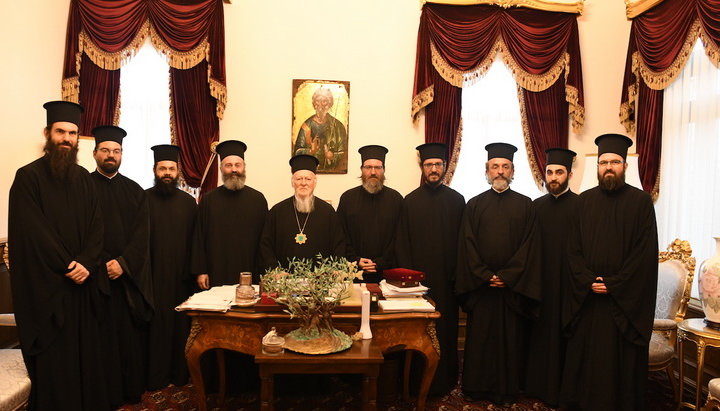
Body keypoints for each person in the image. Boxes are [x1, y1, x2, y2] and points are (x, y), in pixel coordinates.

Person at [9, 101, 111, 410]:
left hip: (82, 287)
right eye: (60, 132)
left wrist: (88, 264)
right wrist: (68, 265)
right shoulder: (27, 177)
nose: (66, 138)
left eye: (72, 133)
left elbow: (97, 229)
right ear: (47, 133)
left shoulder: (84, 180)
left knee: (85, 358)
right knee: (57, 366)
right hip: (48, 290)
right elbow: (33, 232)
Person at [561, 134, 658, 411]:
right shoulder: (583, 202)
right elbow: (573, 250)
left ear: (625, 166)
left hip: (622, 303)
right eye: (603, 162)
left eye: (615, 161)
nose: (608, 167)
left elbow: (644, 255)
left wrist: (614, 284)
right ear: (597, 166)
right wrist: (587, 280)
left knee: (620, 364)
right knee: (588, 359)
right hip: (588, 299)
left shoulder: (641, 203)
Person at [455, 142, 541, 406]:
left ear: (513, 170)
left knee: (511, 343)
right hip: (482, 290)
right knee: (480, 341)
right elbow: (467, 244)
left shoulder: (526, 205)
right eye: (495, 167)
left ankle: (507, 390)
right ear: (487, 170)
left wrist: (508, 276)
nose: (500, 171)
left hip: (512, 291)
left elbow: (530, 246)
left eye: (505, 167)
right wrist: (484, 275)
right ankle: (476, 388)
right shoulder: (474, 204)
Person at [395, 143, 465, 397]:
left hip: (447, 284)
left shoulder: (458, 201)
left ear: (445, 167)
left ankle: (444, 381)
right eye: (428, 165)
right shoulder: (410, 202)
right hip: (417, 288)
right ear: (422, 168)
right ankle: (414, 383)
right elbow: (402, 243)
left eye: (438, 165)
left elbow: (463, 243)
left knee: (445, 333)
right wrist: (409, 282)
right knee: (416, 336)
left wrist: (457, 276)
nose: (433, 169)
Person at [90, 125, 153, 405]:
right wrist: (102, 263)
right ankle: (101, 394)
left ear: (122, 154)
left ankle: (129, 390)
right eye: (105, 150)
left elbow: (142, 234)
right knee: (98, 339)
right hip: (93, 278)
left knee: (127, 340)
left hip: (126, 280)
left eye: (116, 151)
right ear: (94, 153)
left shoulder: (134, 190)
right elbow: (78, 233)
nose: (111, 155)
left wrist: (123, 263)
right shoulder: (82, 185)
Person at [525, 148, 578, 407]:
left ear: (569, 174)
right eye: (549, 172)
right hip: (540, 285)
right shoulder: (536, 206)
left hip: (570, 287)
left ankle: (563, 391)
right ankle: (536, 387)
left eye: (559, 172)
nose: (554, 177)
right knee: (540, 337)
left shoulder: (581, 205)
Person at [145, 144, 197, 390]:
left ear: (178, 172)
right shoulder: (142, 199)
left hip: (181, 279)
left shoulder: (189, 203)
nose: (167, 172)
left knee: (179, 327)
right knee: (154, 329)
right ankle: (155, 376)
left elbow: (196, 240)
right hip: (152, 278)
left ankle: (179, 374)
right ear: (155, 170)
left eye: (171, 168)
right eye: (162, 168)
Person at [192, 140, 268, 287]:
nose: (234, 169)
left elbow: (266, 240)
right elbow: (199, 237)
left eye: (237, 165)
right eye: (228, 165)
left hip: (250, 271)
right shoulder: (209, 200)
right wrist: (201, 271)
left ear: (243, 167)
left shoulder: (258, 199)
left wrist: (265, 271)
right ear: (221, 168)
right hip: (216, 270)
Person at [260, 154, 345, 270]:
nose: (303, 183)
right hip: (284, 281)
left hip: (320, 281)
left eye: (308, 179)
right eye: (299, 179)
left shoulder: (328, 212)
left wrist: (332, 271)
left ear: (315, 182)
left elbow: (339, 246)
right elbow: (266, 246)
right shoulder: (277, 211)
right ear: (292, 182)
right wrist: (275, 271)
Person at [337, 145, 403, 283]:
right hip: (354, 274)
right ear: (361, 170)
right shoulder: (347, 198)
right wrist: (355, 260)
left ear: (384, 170)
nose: (373, 172)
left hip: (388, 275)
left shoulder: (396, 199)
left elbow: (400, 236)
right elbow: (340, 235)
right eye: (368, 167)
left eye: (378, 167)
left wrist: (382, 262)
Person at [293, 87, 347, 172]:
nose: (321, 105)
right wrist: (311, 151)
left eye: (324, 101)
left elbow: (344, 154)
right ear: (314, 103)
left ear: (330, 104)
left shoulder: (338, 126)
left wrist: (332, 156)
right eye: (318, 101)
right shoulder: (306, 126)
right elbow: (297, 152)